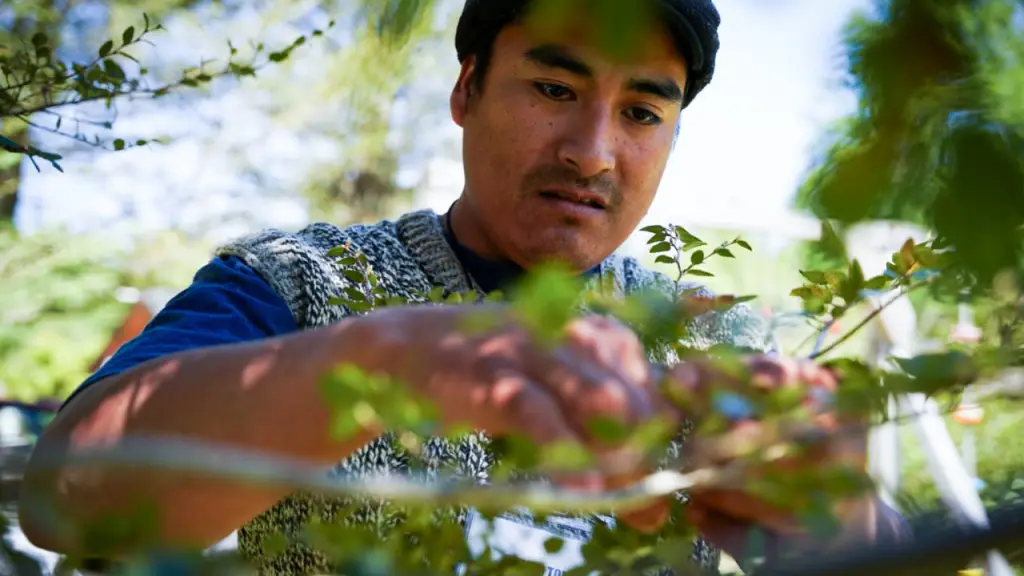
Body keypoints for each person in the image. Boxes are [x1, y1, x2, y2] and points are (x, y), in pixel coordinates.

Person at [19, 0, 911, 573]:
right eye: (554, 86)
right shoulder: (299, 283)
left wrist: (843, 520)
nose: (593, 151)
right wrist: (385, 360)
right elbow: (67, 500)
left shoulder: (714, 347)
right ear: (467, 89)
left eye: (643, 112)